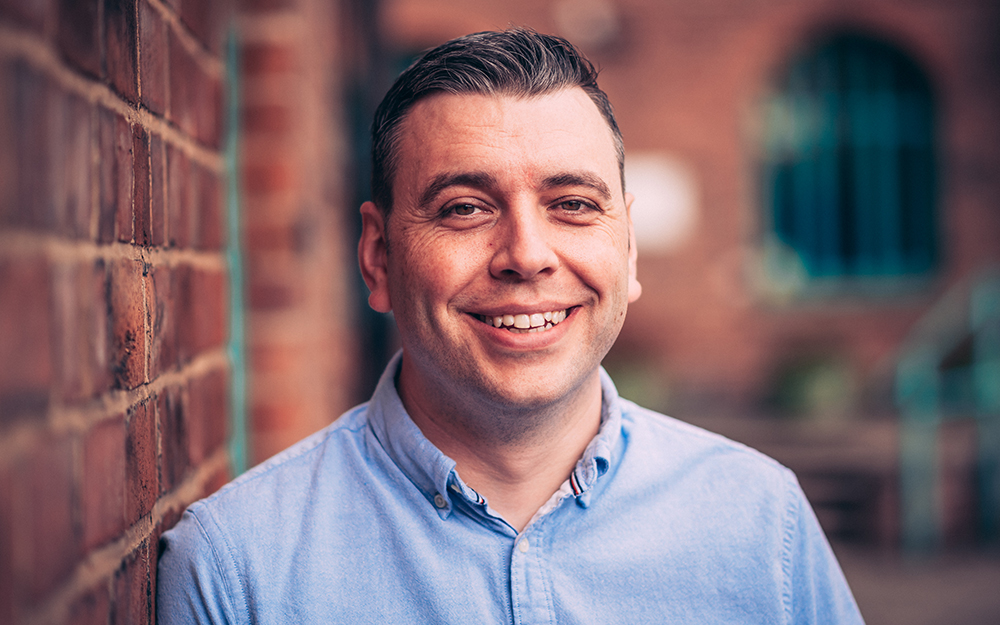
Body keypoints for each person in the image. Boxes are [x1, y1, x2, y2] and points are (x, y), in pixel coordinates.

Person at [157, 28, 864, 624]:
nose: (526, 254)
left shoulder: (762, 523)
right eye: (464, 207)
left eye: (574, 205)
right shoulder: (235, 569)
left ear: (629, 248)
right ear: (378, 258)